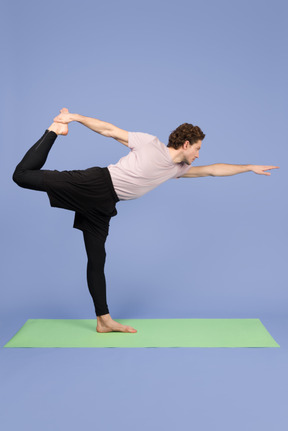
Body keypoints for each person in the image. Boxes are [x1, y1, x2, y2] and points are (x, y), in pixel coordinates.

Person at [12, 108, 279, 334]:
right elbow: (109, 130)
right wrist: (74, 118)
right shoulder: (149, 143)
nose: (198, 155)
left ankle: (103, 320)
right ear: (186, 144)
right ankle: (53, 131)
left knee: (97, 259)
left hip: (104, 205)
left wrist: (248, 168)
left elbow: (211, 170)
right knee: (22, 176)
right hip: (95, 184)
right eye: (197, 149)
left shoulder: (177, 169)